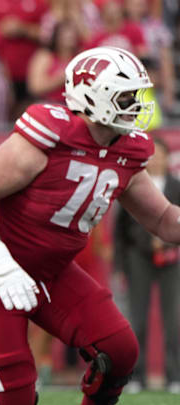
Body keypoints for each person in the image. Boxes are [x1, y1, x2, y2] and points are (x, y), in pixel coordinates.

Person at [0, 45, 167, 405]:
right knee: (15, 398)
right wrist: (1, 266)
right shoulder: (52, 134)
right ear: (94, 97)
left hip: (55, 272)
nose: (137, 104)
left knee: (119, 351)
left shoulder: (129, 150)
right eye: (125, 96)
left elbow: (162, 219)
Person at [114, 137, 180, 393]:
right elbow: (121, 230)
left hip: (172, 260)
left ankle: (174, 377)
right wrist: (120, 265)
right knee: (137, 320)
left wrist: (169, 244)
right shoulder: (136, 185)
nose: (158, 160)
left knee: (173, 321)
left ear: (168, 158)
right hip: (138, 257)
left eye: (162, 155)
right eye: (153, 156)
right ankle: (136, 377)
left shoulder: (176, 186)